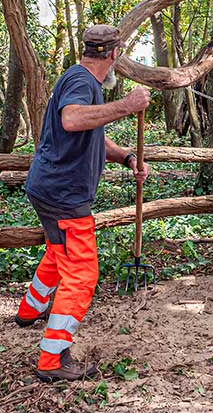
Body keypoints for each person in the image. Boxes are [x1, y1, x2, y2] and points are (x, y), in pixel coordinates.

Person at [16, 24, 151, 382]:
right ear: (112, 54)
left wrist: (125, 157)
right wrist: (127, 105)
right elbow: (72, 119)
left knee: (59, 253)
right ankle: (53, 360)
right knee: (82, 273)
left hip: (49, 189)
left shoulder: (78, 79)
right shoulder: (83, 83)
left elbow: (90, 133)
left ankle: (29, 311)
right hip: (64, 196)